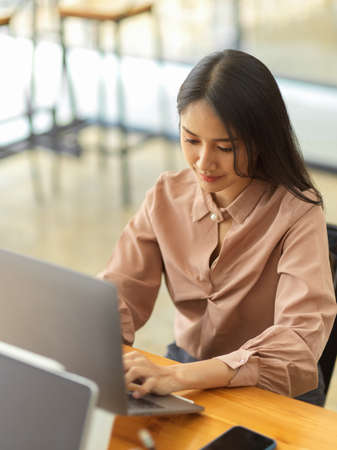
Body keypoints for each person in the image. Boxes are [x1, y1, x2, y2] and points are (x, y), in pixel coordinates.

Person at [98, 49, 336, 406]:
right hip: (184, 369)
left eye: (224, 147)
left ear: (260, 142)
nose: (203, 162)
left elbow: (297, 344)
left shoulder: (298, 212)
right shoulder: (166, 196)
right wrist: (96, 344)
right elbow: (119, 294)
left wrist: (180, 376)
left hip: (271, 391)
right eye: (191, 140)